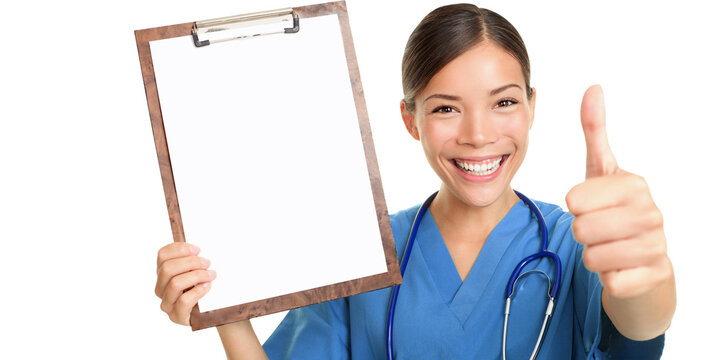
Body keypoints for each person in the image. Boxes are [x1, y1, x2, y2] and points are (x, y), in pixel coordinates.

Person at [154, 3, 675, 359]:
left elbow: (638, 335)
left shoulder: (576, 241)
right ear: (411, 120)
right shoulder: (361, 249)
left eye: (504, 102)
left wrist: (649, 273)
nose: (478, 134)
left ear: (532, 107)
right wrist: (225, 310)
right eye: (447, 107)